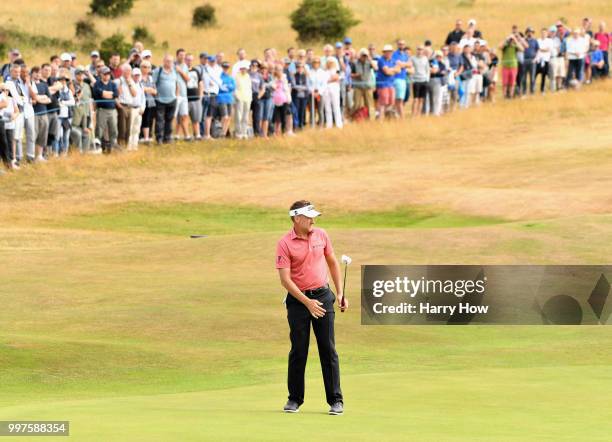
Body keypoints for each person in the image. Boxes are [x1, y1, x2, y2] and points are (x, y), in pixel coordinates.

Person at [276, 200, 347, 415]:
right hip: (298, 302)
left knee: (328, 349)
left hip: (323, 296)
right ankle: (294, 399)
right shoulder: (284, 243)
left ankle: (335, 400)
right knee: (299, 350)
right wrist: (307, 302)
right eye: (309, 217)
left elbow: (333, 262)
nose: (313, 220)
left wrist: (340, 292)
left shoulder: (321, 235)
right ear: (297, 218)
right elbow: (285, 280)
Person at [152, 55, 179, 144]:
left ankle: (167, 138)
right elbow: (153, 83)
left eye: (171, 61)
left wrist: (176, 96)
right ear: (163, 61)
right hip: (160, 100)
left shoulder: (175, 71)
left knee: (169, 119)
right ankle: (159, 138)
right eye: (167, 61)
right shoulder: (158, 71)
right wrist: (155, 94)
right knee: (159, 120)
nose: (169, 63)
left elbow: (176, 84)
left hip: (172, 99)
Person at [92, 66, 119, 152]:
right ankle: (98, 146)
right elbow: (97, 94)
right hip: (102, 110)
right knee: (99, 129)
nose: (107, 76)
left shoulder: (113, 84)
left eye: (108, 74)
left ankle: (112, 146)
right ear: (101, 75)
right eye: (105, 74)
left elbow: (115, 95)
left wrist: (105, 94)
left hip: (112, 110)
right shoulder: (97, 84)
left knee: (114, 128)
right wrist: (107, 94)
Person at [350, 48, 376, 120]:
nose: (364, 57)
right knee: (356, 104)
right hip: (358, 87)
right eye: (363, 55)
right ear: (360, 55)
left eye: (365, 56)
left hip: (368, 87)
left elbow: (376, 68)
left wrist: (370, 60)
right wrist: (356, 75)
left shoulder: (369, 63)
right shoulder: (354, 63)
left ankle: (371, 120)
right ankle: (352, 118)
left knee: (370, 105)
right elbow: (350, 74)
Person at [375, 45, 399, 119]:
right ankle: (380, 120)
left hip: (391, 84)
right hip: (383, 85)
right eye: (387, 52)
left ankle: (386, 119)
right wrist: (393, 70)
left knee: (391, 103)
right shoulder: (381, 60)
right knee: (383, 103)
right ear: (384, 52)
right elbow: (386, 72)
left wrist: (391, 70)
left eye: (390, 52)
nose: (388, 53)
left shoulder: (393, 60)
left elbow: (398, 70)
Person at [116, 64, 137, 146]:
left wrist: (129, 84)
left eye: (129, 71)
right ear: (122, 71)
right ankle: (120, 145)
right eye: (126, 71)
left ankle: (125, 145)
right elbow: (116, 94)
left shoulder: (131, 81)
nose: (128, 72)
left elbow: (134, 94)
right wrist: (118, 104)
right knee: (122, 128)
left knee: (128, 128)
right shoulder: (118, 81)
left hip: (129, 106)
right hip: (122, 105)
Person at [271, 65, 294, 135]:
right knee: (276, 118)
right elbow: (272, 87)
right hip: (275, 101)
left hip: (284, 100)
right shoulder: (273, 78)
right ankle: (275, 132)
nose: (279, 71)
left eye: (281, 70)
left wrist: (288, 99)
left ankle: (284, 132)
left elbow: (287, 88)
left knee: (284, 116)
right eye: (278, 70)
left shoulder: (285, 78)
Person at [186, 53, 203, 140]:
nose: (189, 62)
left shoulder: (196, 71)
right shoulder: (182, 70)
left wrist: (201, 95)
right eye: (188, 59)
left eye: (191, 60)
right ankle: (187, 135)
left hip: (195, 98)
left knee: (196, 119)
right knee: (183, 118)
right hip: (185, 99)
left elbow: (200, 83)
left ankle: (197, 135)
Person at [127, 68, 145, 151]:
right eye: (135, 75)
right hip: (131, 108)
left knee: (137, 128)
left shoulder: (140, 85)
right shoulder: (129, 84)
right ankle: (129, 146)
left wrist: (142, 107)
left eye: (138, 75)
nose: (137, 77)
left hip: (139, 109)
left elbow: (143, 98)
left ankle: (135, 146)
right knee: (130, 128)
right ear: (132, 76)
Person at [408, 45, 430, 116]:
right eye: (418, 49)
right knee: (415, 99)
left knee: (421, 99)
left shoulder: (425, 59)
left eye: (421, 49)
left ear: (423, 51)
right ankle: (413, 115)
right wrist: (412, 79)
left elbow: (427, 69)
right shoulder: (412, 58)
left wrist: (427, 79)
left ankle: (418, 114)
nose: (419, 51)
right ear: (416, 50)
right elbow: (410, 69)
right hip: (416, 81)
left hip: (424, 80)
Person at [140, 60, 157, 145]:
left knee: (150, 120)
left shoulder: (151, 78)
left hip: (151, 102)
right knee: (144, 120)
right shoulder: (138, 77)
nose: (147, 69)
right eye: (145, 67)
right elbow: (140, 89)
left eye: (149, 67)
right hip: (142, 102)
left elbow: (155, 91)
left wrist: (148, 90)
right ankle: (145, 137)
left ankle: (148, 136)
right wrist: (148, 89)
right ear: (141, 68)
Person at [392, 40, 411, 118]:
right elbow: (396, 64)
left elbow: (409, 64)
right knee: (397, 100)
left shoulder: (405, 55)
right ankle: (401, 117)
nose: (401, 45)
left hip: (403, 79)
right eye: (400, 44)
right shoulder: (394, 54)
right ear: (397, 45)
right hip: (396, 78)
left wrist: (402, 64)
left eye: (403, 44)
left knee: (401, 100)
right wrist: (404, 65)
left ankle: (397, 116)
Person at [216, 61, 235, 138]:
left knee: (229, 117)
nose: (225, 69)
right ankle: (221, 132)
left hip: (229, 98)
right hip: (221, 98)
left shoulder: (230, 78)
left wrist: (226, 86)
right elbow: (219, 88)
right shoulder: (219, 77)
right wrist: (227, 87)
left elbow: (233, 87)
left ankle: (224, 133)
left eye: (227, 67)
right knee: (225, 116)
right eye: (224, 67)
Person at [234, 60, 252, 139]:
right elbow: (235, 88)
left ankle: (244, 132)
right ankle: (238, 132)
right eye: (242, 68)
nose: (244, 70)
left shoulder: (248, 76)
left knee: (246, 116)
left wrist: (250, 97)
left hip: (247, 98)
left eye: (245, 68)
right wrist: (237, 96)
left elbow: (249, 87)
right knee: (239, 116)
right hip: (239, 98)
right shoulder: (236, 76)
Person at [290, 61, 309, 130]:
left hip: (304, 96)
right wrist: (302, 87)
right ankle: (295, 125)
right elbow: (293, 85)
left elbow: (307, 86)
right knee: (296, 110)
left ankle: (301, 124)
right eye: (298, 67)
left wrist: (299, 87)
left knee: (302, 110)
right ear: (296, 68)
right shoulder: (293, 75)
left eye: (301, 67)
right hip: (296, 96)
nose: (300, 68)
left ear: (303, 68)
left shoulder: (306, 76)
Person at [522, 27, 540, 95]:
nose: (530, 33)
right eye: (529, 32)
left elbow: (538, 50)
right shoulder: (523, 40)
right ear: (526, 32)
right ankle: (524, 92)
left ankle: (532, 92)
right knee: (524, 78)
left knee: (532, 77)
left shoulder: (535, 41)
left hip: (532, 61)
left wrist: (536, 58)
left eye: (531, 32)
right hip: (524, 60)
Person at [535, 27, 553, 93]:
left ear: (547, 33)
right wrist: (541, 49)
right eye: (542, 33)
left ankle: (542, 90)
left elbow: (548, 49)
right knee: (534, 75)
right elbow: (536, 49)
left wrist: (540, 49)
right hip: (538, 60)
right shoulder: (537, 40)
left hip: (545, 61)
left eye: (545, 33)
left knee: (544, 76)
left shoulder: (550, 41)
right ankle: (533, 89)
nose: (543, 34)